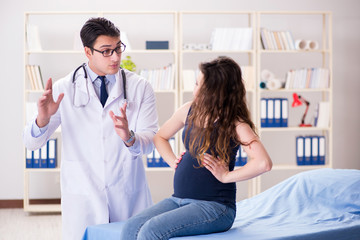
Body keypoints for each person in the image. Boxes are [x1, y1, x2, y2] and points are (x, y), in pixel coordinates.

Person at [23, 17, 158, 240]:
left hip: (128, 195)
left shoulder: (139, 87)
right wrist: (42, 119)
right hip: (83, 197)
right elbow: (31, 143)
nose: (115, 57)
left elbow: (150, 143)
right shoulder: (64, 88)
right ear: (87, 51)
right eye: (106, 51)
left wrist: (129, 137)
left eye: (118, 49)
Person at [120, 56, 273, 240]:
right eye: (196, 83)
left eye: (201, 85)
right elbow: (160, 137)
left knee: (151, 231)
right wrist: (174, 162)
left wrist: (226, 176)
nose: (196, 89)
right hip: (178, 200)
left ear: (217, 91)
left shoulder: (236, 124)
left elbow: (263, 163)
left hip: (215, 207)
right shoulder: (188, 110)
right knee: (130, 228)